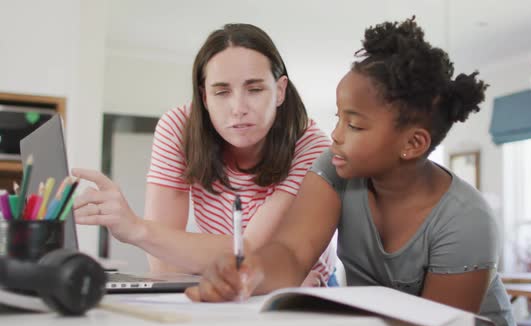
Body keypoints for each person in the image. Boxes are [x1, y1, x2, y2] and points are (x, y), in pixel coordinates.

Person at [185, 17, 516, 326]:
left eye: (355, 124)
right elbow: (291, 252)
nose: (337, 135)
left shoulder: (466, 221)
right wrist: (250, 272)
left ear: (413, 143)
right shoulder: (336, 168)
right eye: (339, 117)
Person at [72, 23, 336, 286]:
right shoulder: (178, 128)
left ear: (280, 91)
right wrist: (205, 258)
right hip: (223, 282)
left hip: (300, 286)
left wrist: (136, 229)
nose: (238, 108)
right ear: (205, 97)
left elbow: (250, 253)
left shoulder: (311, 146)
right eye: (221, 92)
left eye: (254, 90)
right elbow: (164, 266)